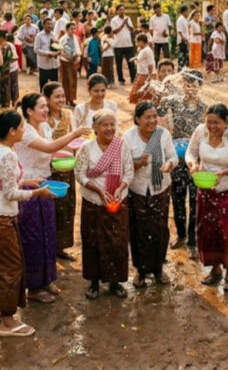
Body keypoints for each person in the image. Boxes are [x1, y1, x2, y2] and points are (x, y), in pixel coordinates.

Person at [0, 110, 54, 335]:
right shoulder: (8, 155)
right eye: (21, 127)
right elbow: (10, 193)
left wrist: (29, 181)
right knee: (9, 267)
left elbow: (1, 180)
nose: (23, 130)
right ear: (11, 131)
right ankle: (8, 321)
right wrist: (37, 193)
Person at [15, 93, 91, 303]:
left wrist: (67, 153)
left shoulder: (46, 127)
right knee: (32, 236)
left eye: (44, 106)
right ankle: (33, 287)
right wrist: (74, 134)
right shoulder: (25, 131)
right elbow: (48, 147)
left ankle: (47, 279)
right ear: (29, 111)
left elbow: (50, 152)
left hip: (46, 181)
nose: (46, 110)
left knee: (48, 231)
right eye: (41, 107)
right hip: (29, 186)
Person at [186, 104, 228, 291]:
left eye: (217, 123)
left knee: (227, 230)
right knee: (208, 229)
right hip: (205, 187)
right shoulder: (199, 131)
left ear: (226, 120)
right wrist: (192, 165)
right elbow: (190, 153)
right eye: (209, 122)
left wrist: (225, 172)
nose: (212, 126)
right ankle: (215, 269)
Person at [75, 109, 133, 299]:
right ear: (95, 128)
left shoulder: (121, 145)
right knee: (93, 241)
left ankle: (115, 282)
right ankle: (93, 283)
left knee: (117, 241)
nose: (109, 129)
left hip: (117, 201)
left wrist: (120, 188)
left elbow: (129, 172)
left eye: (112, 125)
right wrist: (99, 191)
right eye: (104, 125)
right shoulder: (86, 148)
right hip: (93, 202)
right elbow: (80, 174)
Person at [124, 101, 177, 287]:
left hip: (160, 187)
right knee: (138, 229)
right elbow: (123, 165)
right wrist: (137, 163)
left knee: (159, 228)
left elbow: (173, 157)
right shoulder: (128, 137)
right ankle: (140, 270)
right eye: (148, 117)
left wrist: (169, 165)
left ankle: (158, 269)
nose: (153, 120)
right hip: (137, 189)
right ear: (137, 119)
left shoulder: (163, 134)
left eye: (155, 116)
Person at [158, 71, 205, 256]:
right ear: (182, 85)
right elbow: (158, 110)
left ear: (200, 87)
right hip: (176, 158)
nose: (190, 88)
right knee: (177, 199)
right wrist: (162, 89)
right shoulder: (173, 102)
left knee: (195, 200)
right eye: (187, 84)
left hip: (196, 161)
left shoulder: (205, 108)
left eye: (194, 84)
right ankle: (181, 236)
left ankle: (193, 241)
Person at [42, 82, 77, 260]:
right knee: (50, 209)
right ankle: (48, 247)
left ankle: (60, 247)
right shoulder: (43, 118)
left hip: (67, 167)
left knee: (66, 208)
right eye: (57, 96)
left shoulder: (68, 115)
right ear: (46, 99)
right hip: (49, 170)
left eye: (63, 96)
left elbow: (73, 141)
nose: (61, 100)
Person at [110, 5, 137, 84]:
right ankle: (121, 79)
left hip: (128, 44)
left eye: (123, 10)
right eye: (120, 10)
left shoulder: (127, 18)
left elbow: (132, 29)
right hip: (118, 45)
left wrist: (127, 24)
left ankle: (133, 78)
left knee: (131, 62)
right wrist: (122, 24)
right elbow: (114, 31)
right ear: (117, 11)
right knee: (119, 63)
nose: (122, 11)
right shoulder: (114, 20)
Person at [128, 34, 156, 103]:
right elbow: (140, 57)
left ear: (141, 42)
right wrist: (134, 58)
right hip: (141, 73)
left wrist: (149, 76)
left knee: (142, 92)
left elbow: (150, 64)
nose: (136, 44)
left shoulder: (147, 51)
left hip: (145, 74)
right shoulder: (143, 49)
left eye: (137, 42)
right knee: (140, 91)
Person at [58, 21, 81, 106]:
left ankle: (72, 99)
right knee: (65, 81)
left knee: (73, 81)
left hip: (73, 62)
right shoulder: (63, 39)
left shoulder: (75, 37)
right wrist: (68, 57)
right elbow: (61, 51)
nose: (73, 30)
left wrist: (77, 57)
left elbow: (78, 48)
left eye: (74, 29)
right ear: (67, 30)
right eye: (71, 29)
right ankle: (66, 99)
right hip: (65, 61)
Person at [34, 17, 60, 90]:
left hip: (54, 64)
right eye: (48, 24)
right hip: (44, 65)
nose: (50, 26)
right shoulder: (39, 36)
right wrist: (48, 53)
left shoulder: (54, 35)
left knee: (54, 86)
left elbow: (56, 47)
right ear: (44, 25)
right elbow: (36, 49)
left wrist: (58, 49)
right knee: (43, 86)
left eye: (51, 24)